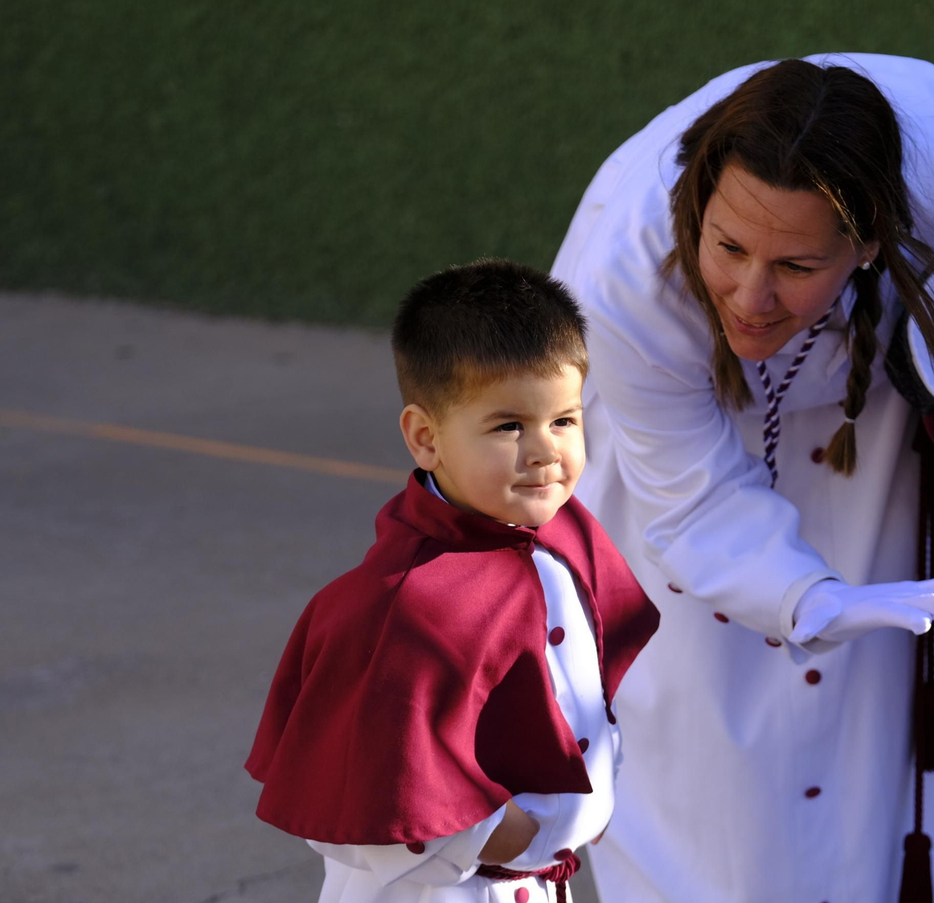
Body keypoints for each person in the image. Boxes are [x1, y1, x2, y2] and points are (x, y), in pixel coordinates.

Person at [549, 53, 934, 902]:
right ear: (698, 206)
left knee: (854, 769)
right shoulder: (628, 276)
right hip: (666, 472)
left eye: (794, 266)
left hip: (869, 431)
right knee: (699, 763)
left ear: (870, 244)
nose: (750, 295)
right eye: (730, 247)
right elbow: (693, 495)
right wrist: (803, 597)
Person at [244, 259, 661, 903]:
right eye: (508, 425)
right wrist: (510, 833)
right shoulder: (401, 606)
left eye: (565, 420)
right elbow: (364, 813)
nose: (546, 450)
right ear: (425, 436)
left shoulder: (567, 532)